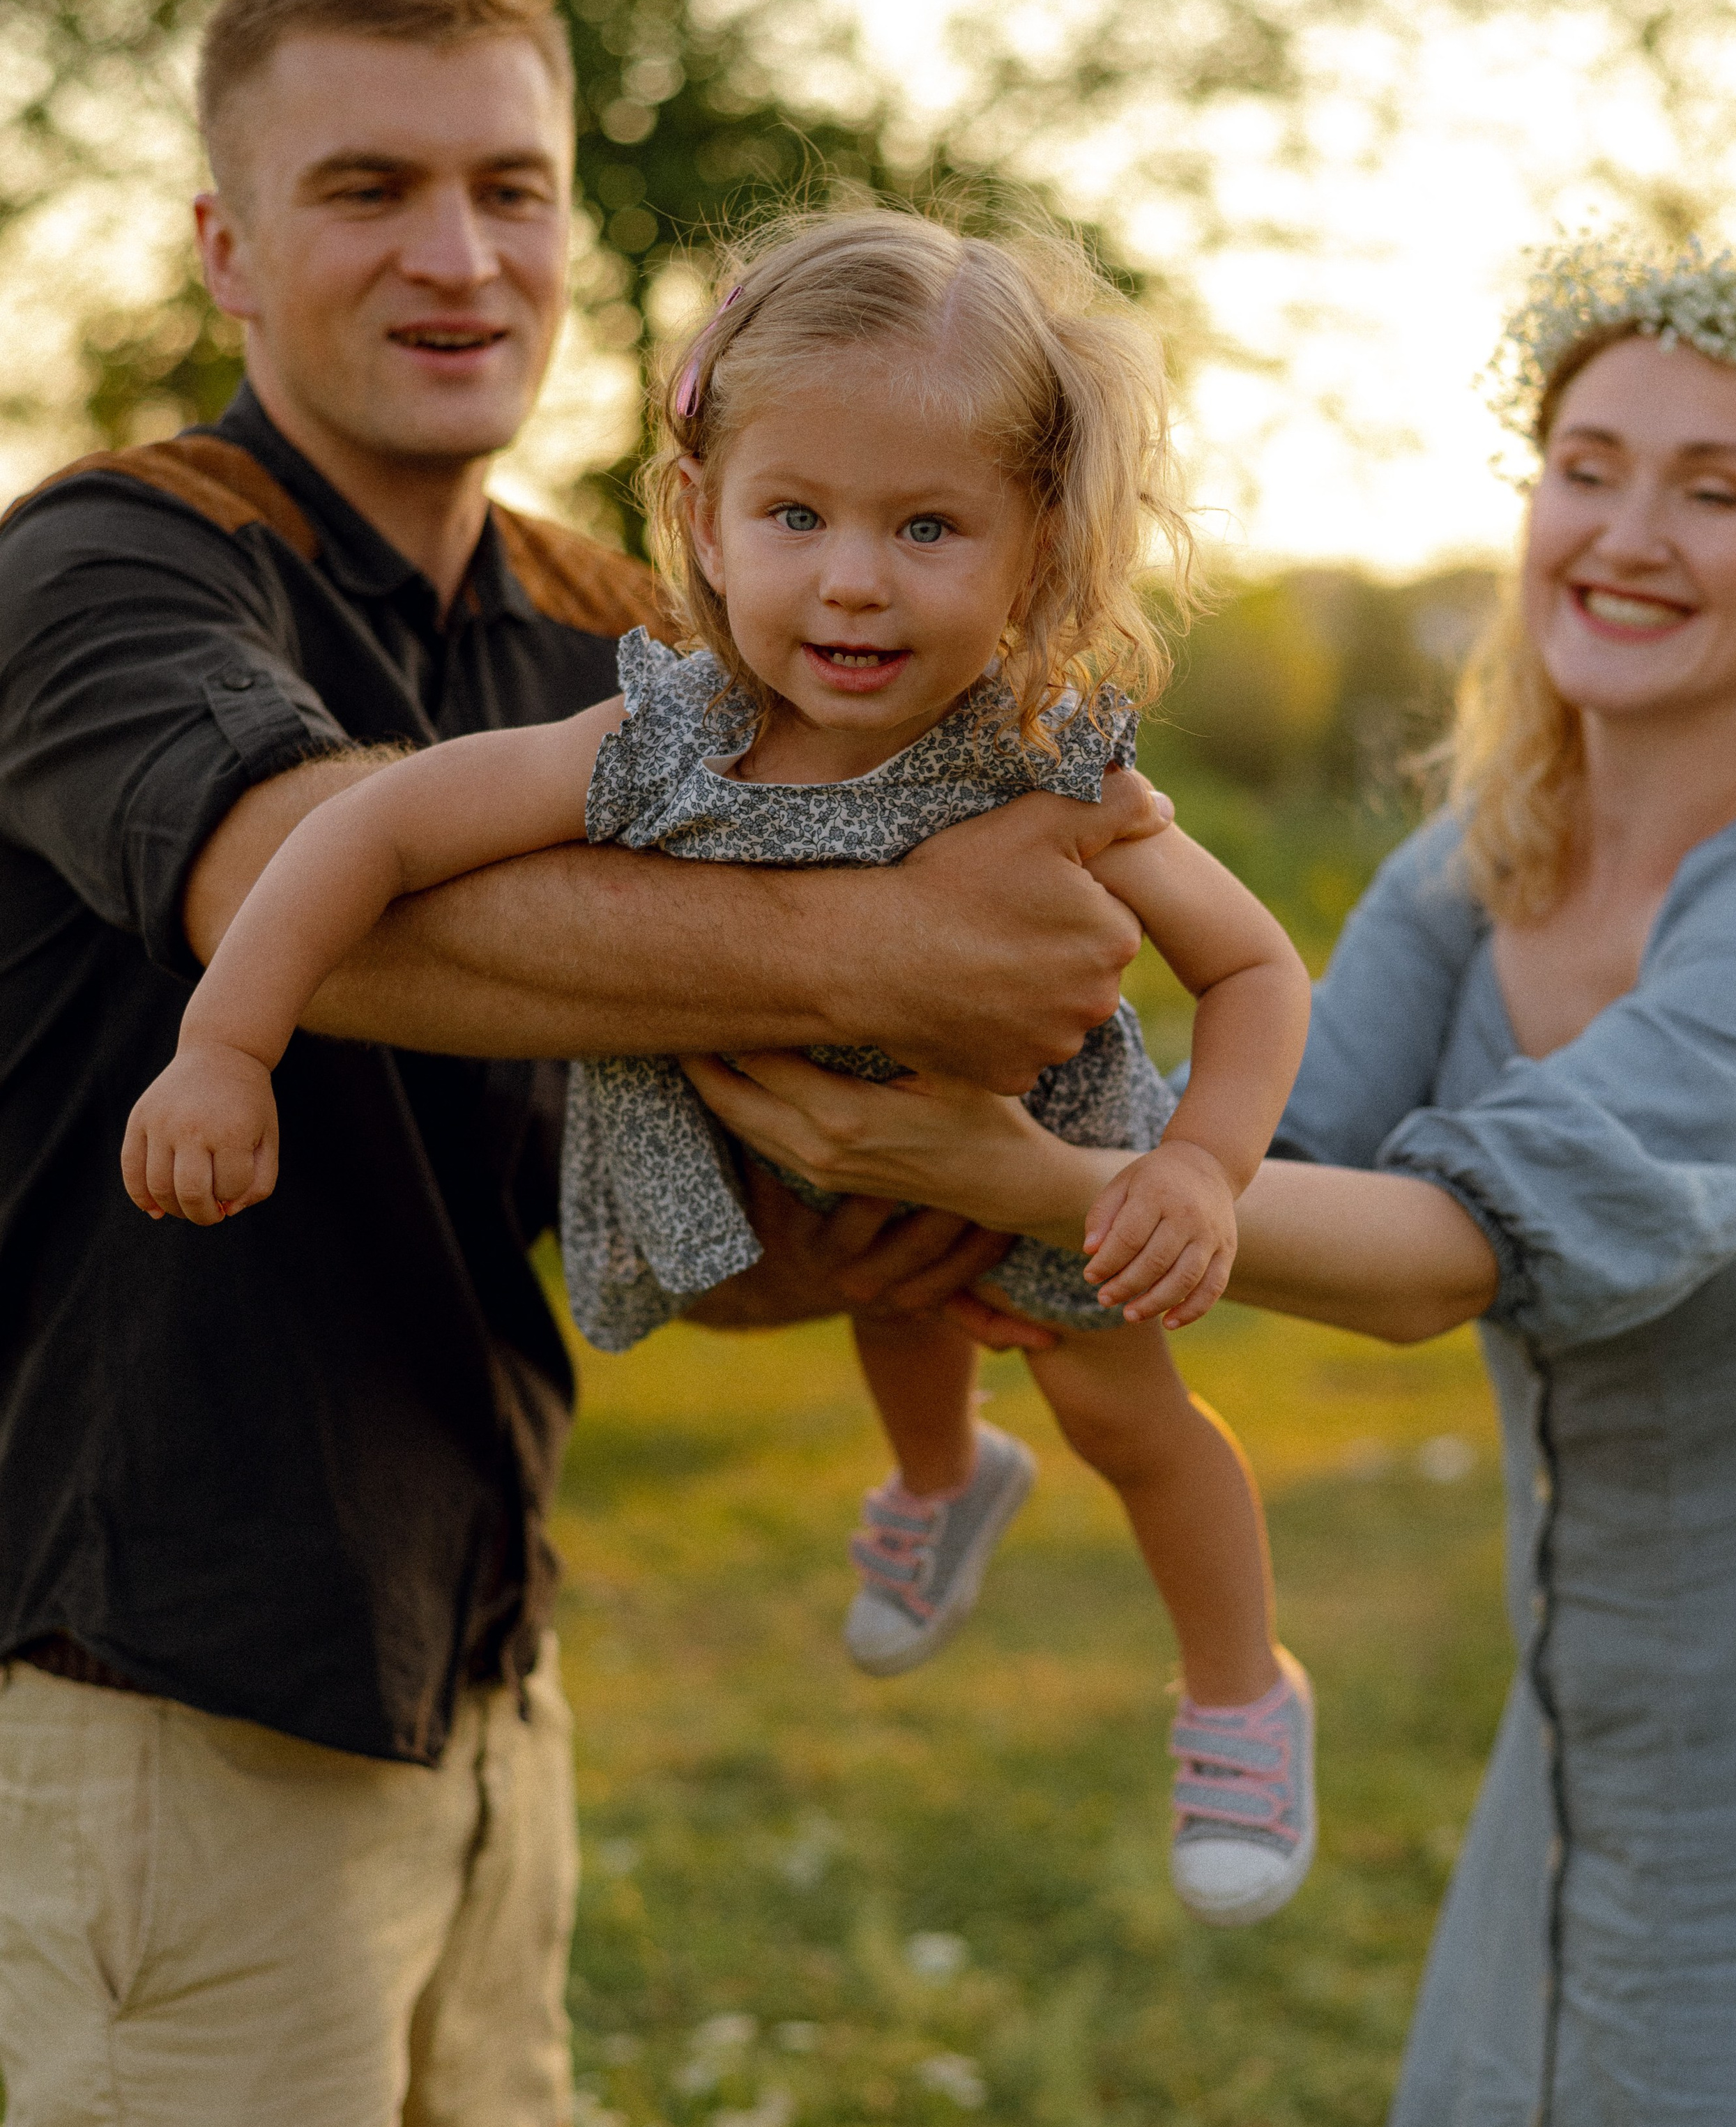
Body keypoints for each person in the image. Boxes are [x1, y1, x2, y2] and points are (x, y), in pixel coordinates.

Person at [0, 0, 1159, 2127]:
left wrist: (938, 1196)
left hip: (481, 1613)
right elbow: (292, 879)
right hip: (170, 1642)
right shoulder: (98, 566)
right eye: (366, 188)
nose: (459, 255)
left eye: (511, 189)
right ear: (223, 243)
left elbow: (638, 1150)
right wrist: (883, 963)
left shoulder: (618, 626)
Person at [694, 234, 1736, 2127]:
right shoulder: (1485, 859)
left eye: (1719, 489)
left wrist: (1018, 1174)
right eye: (1588, 465)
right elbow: (1256, 1154)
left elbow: (1447, 1254)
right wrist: (961, 1127)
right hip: (1585, 1754)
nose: (1627, 536)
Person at [123, 207, 1318, 1928]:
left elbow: (1254, 965)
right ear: (701, 515)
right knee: (889, 1302)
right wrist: (225, 1046)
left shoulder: (1045, 761)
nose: (851, 577)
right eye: (795, 515)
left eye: (926, 525)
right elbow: (374, 826)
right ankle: (934, 1481)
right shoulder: (662, 737)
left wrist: (1197, 1165)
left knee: (1120, 1412)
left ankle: (1235, 1692)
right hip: (822, 1179)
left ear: (1034, 541)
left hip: (1032, 1146)